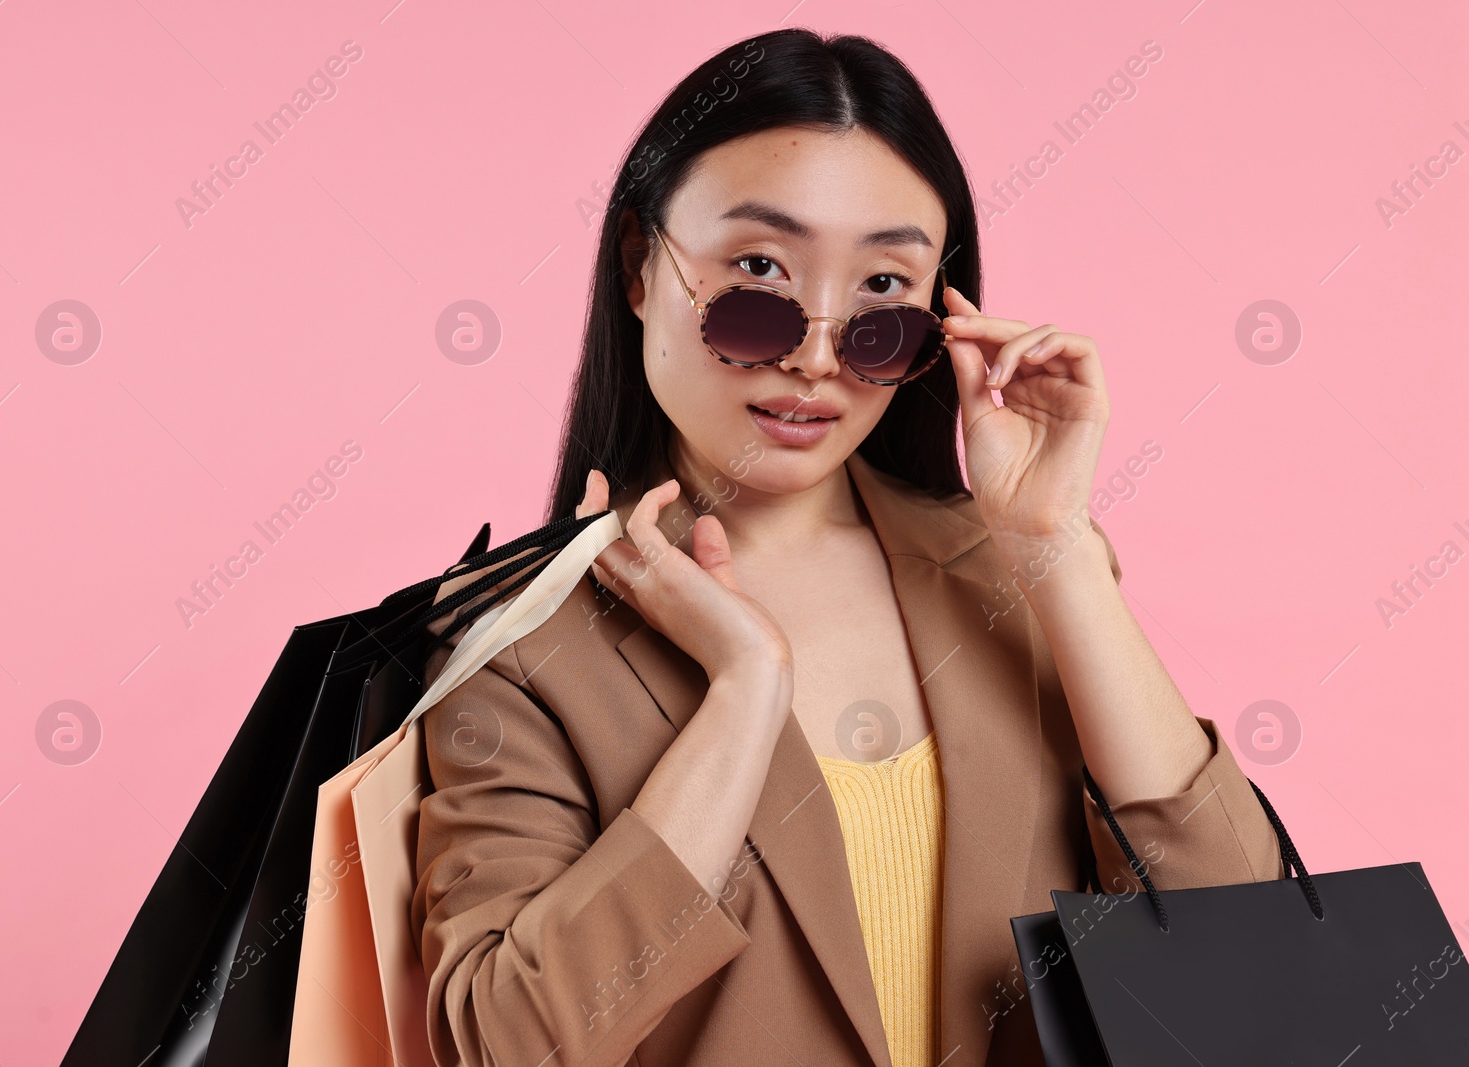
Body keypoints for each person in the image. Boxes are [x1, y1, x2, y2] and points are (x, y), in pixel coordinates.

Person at [410, 27, 1283, 1067]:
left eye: (880, 297)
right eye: (759, 273)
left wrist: (1053, 546)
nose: (817, 355)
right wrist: (742, 688)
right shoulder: (517, 637)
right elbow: (506, 1043)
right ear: (641, 266)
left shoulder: (1014, 571)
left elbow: (1252, 955)